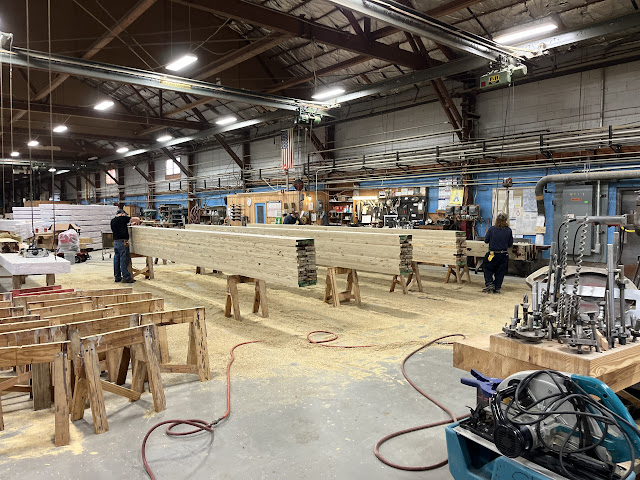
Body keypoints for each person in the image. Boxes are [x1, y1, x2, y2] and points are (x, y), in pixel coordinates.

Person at [482, 212, 513, 294]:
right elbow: (510, 244)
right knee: (500, 272)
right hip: (503, 255)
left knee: (487, 268)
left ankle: (489, 284)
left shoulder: (492, 229)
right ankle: (497, 287)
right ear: (506, 220)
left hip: (492, 254)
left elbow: (486, 240)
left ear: (496, 220)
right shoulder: (509, 230)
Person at [111, 209, 135, 283]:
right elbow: (136, 219)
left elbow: (121, 227)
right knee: (123, 260)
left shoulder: (113, 220)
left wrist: (130, 225)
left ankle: (117, 277)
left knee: (117, 260)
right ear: (122, 214)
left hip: (116, 242)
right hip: (123, 242)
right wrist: (138, 221)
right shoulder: (123, 218)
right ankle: (126, 277)